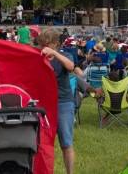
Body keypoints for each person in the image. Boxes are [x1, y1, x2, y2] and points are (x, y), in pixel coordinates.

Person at [37, 28, 75, 174]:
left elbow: (71, 67)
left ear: (55, 44)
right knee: (41, 143)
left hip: (63, 103)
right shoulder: (38, 56)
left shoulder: (65, 55)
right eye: (41, 44)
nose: (43, 47)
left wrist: (55, 54)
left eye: (46, 44)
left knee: (66, 143)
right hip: (43, 105)